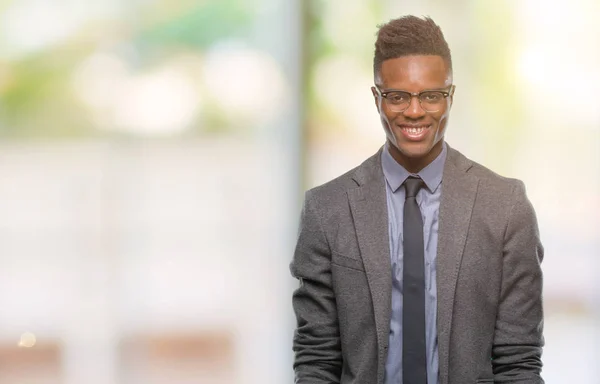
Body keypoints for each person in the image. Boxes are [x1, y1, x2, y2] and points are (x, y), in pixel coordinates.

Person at [290, 15, 544, 384]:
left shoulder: (505, 206)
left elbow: (519, 362)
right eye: (397, 96)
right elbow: (316, 360)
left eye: (431, 95)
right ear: (377, 98)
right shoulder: (326, 209)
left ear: (450, 96)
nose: (414, 111)